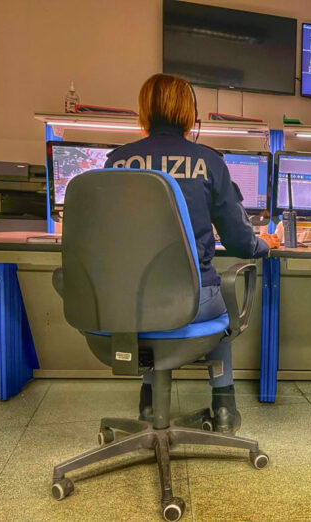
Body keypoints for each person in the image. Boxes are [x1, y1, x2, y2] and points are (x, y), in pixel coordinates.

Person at [104, 73, 279, 433]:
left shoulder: (116, 162)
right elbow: (240, 243)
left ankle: (149, 405)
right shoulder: (208, 162)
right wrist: (265, 244)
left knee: (150, 309)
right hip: (193, 302)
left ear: (144, 110)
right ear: (189, 115)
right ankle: (224, 407)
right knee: (219, 301)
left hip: (127, 304)